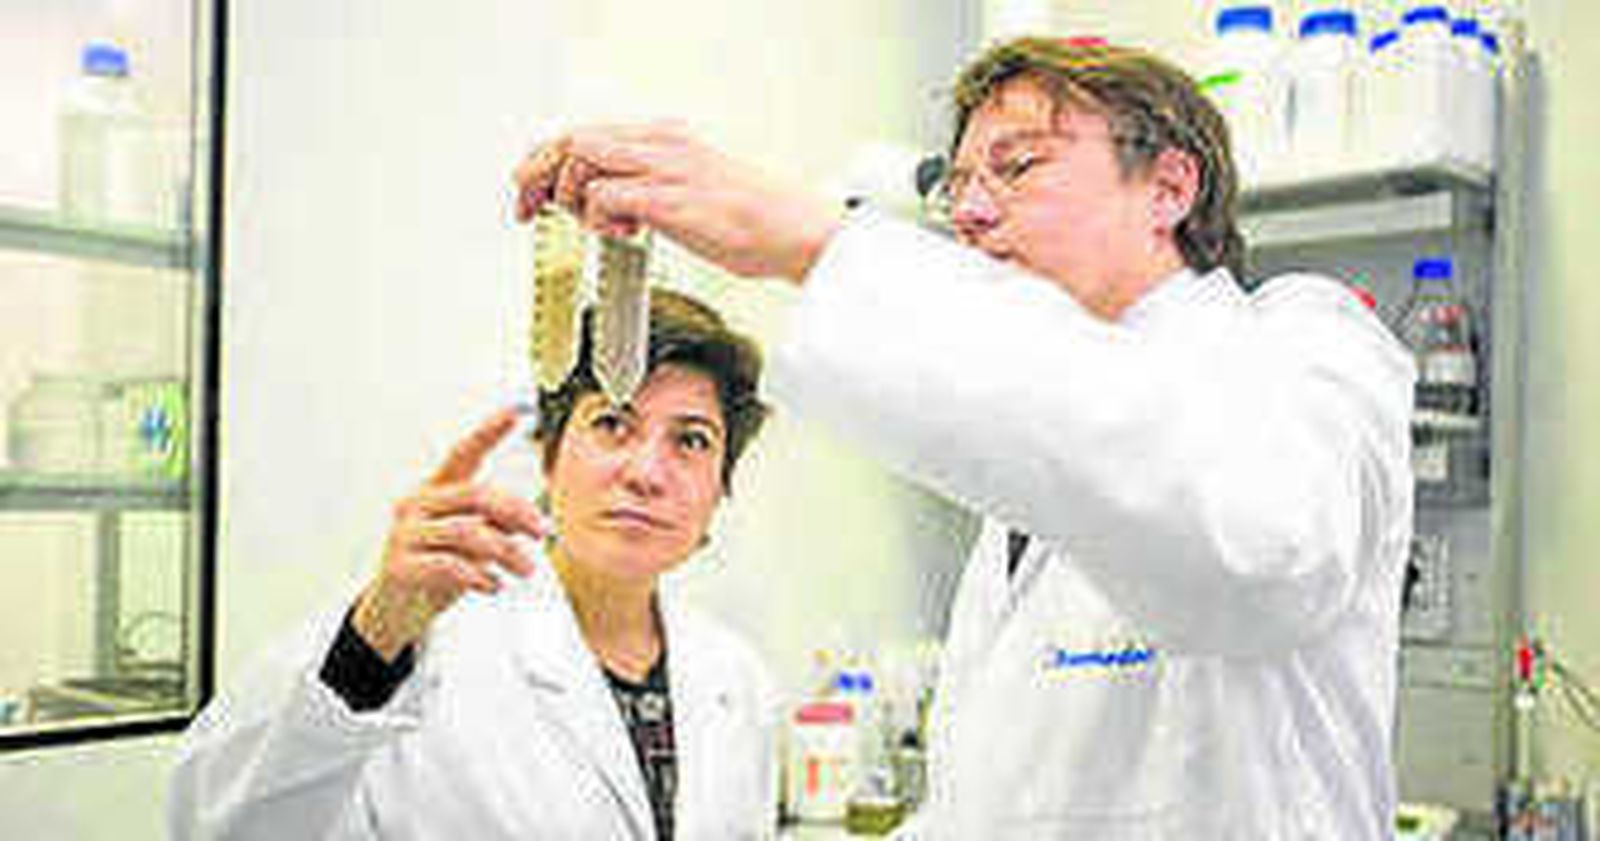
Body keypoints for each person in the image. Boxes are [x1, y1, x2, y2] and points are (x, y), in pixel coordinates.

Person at [514, 38, 1415, 839]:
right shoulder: (1025, 486)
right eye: (960, 186)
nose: (971, 213)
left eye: (1017, 167)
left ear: (1170, 188)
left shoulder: (1302, 348)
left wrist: (810, 243)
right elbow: (993, 803)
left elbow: (1260, 549)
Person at [168, 289, 777, 840]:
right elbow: (224, 827)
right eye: (613, 423)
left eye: (691, 440)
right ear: (549, 456)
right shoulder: (411, 645)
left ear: (721, 485)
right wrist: (373, 637)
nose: (646, 472)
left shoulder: (734, 677)